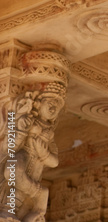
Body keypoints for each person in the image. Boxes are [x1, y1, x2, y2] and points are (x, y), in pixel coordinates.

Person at [0, 82, 65, 222]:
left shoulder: (49, 134)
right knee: (12, 172)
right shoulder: (27, 118)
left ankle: (9, 211)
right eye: (50, 103)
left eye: (57, 105)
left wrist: (44, 154)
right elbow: (9, 146)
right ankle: (36, 195)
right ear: (39, 104)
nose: (53, 108)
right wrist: (22, 131)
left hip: (36, 163)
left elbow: (54, 161)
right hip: (22, 155)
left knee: (20, 191)